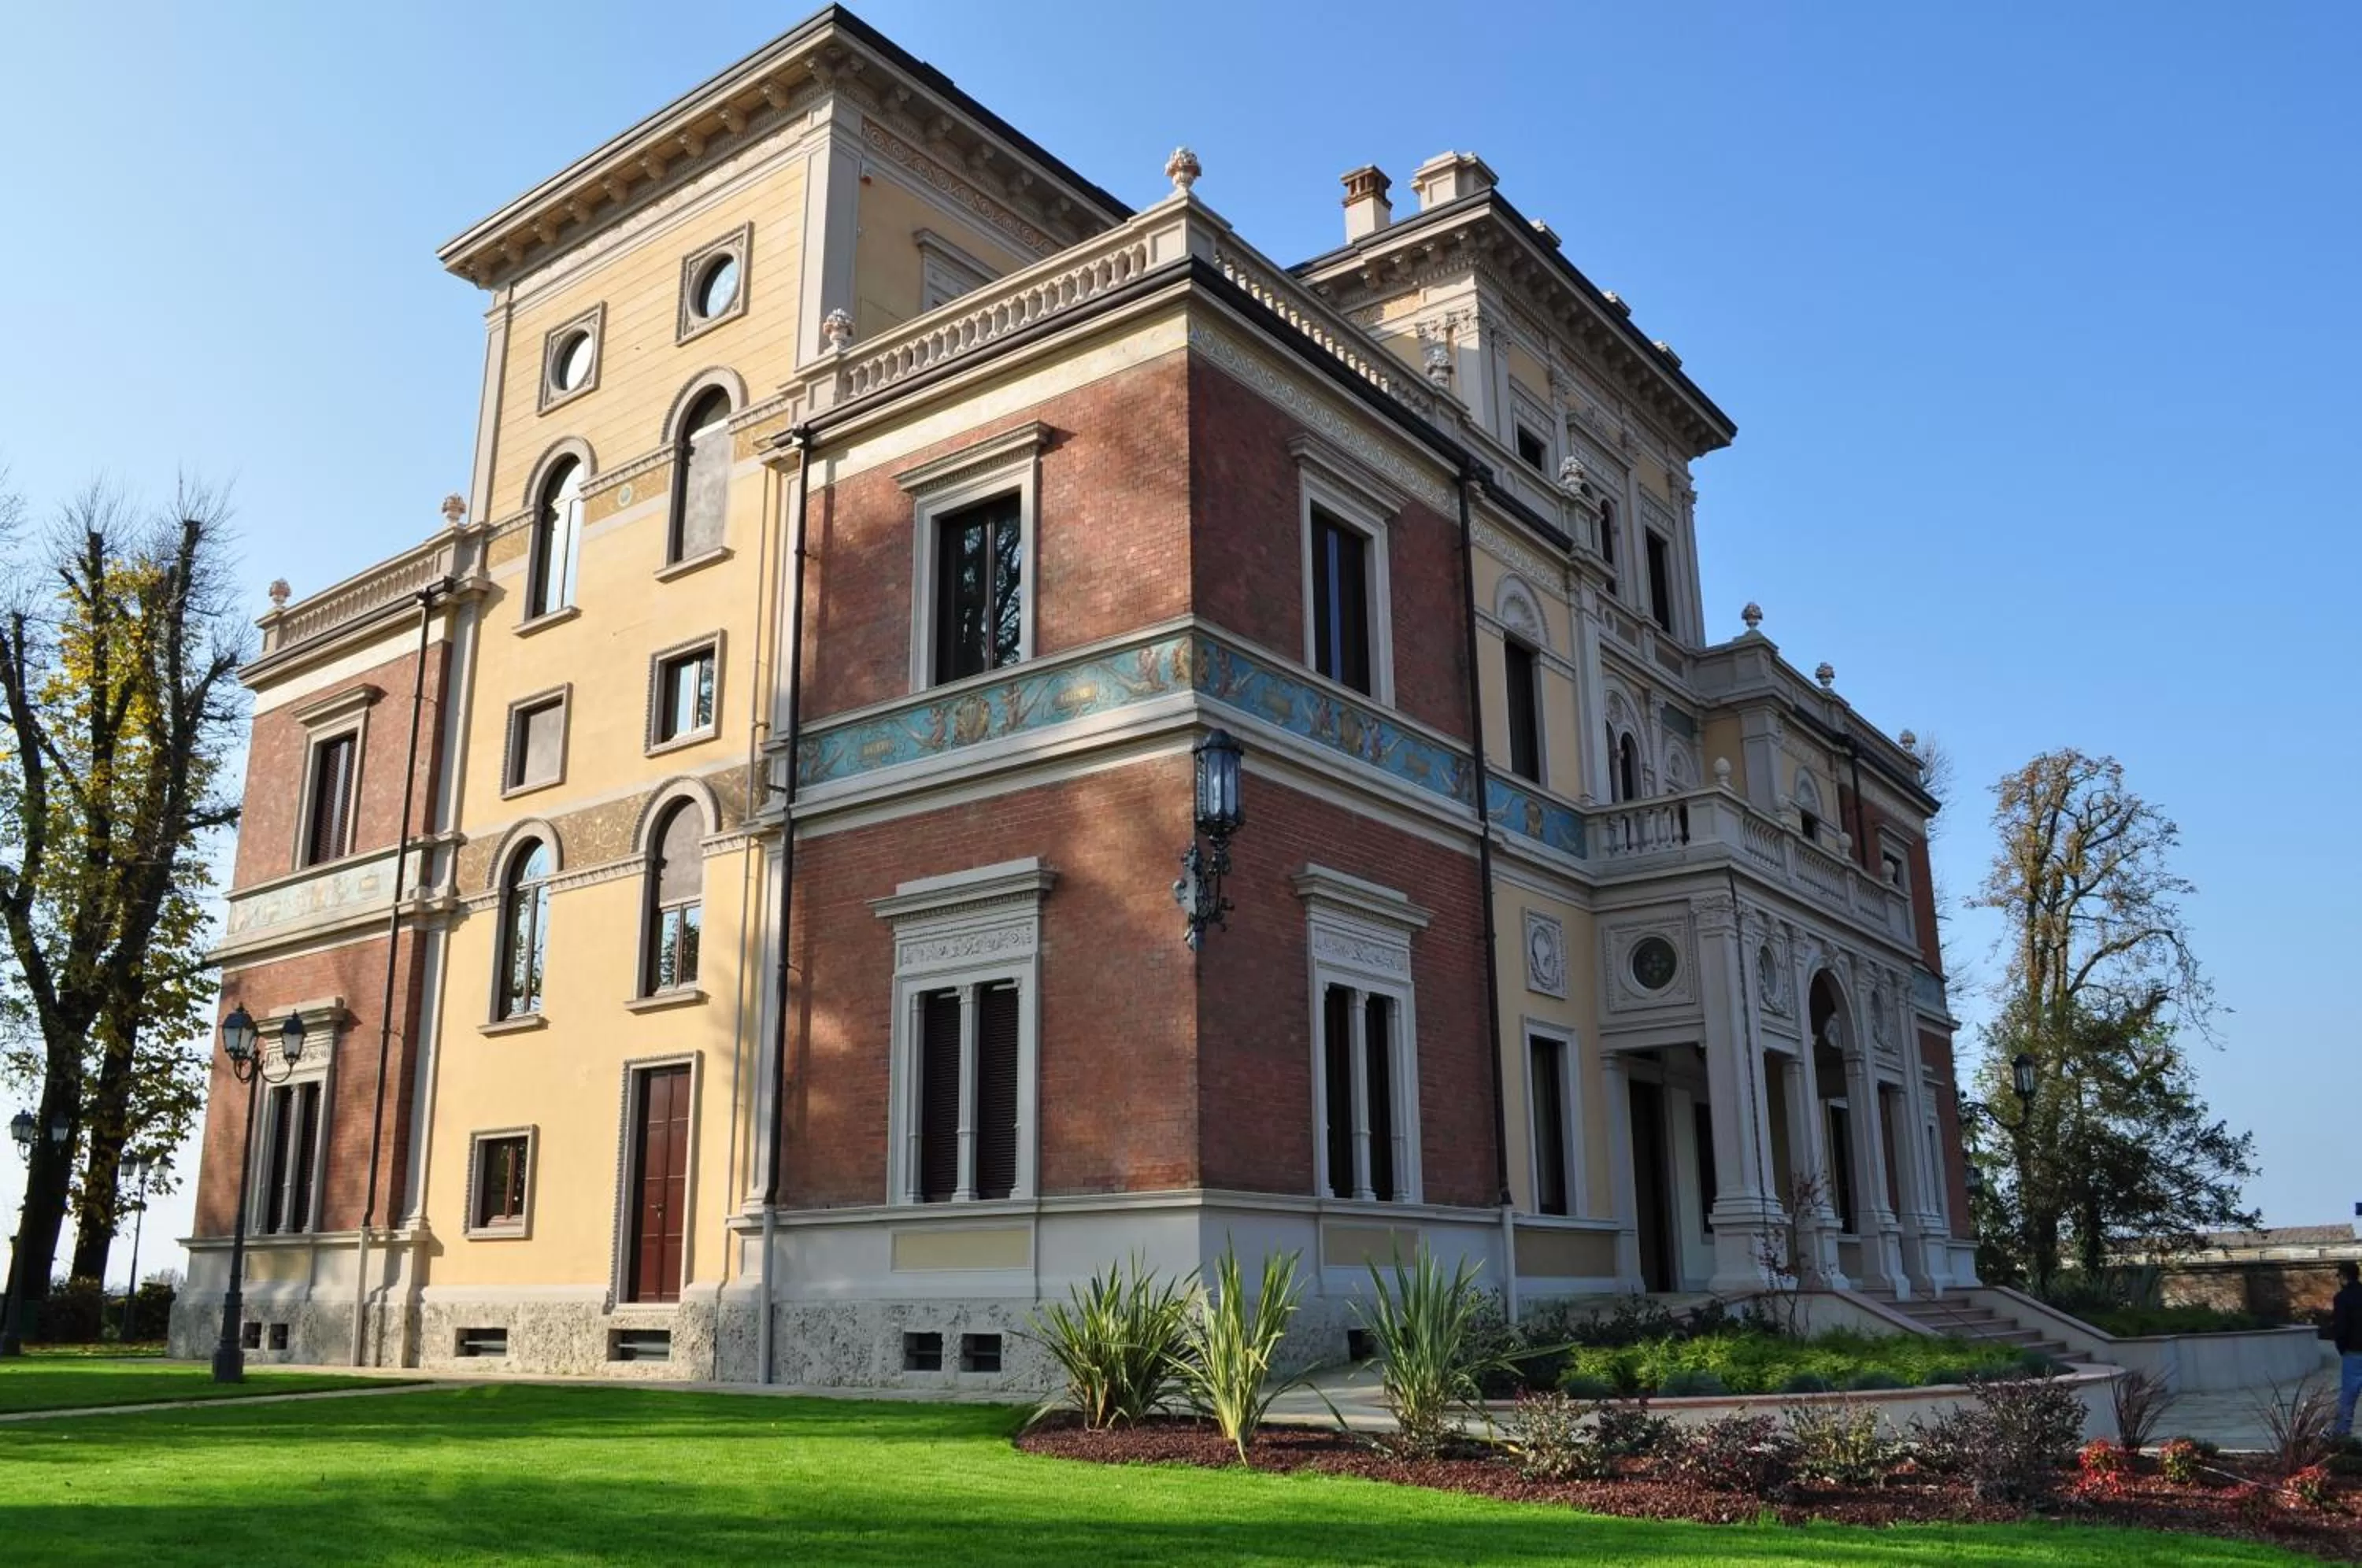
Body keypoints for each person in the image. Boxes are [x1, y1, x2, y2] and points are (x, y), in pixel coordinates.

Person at [2334, 1259, 2362, 1441]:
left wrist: (2341, 1347)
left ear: (2344, 1277)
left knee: (2349, 1396)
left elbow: (2341, 1327)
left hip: (2353, 1351)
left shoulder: (2342, 1298)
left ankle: (2342, 1434)